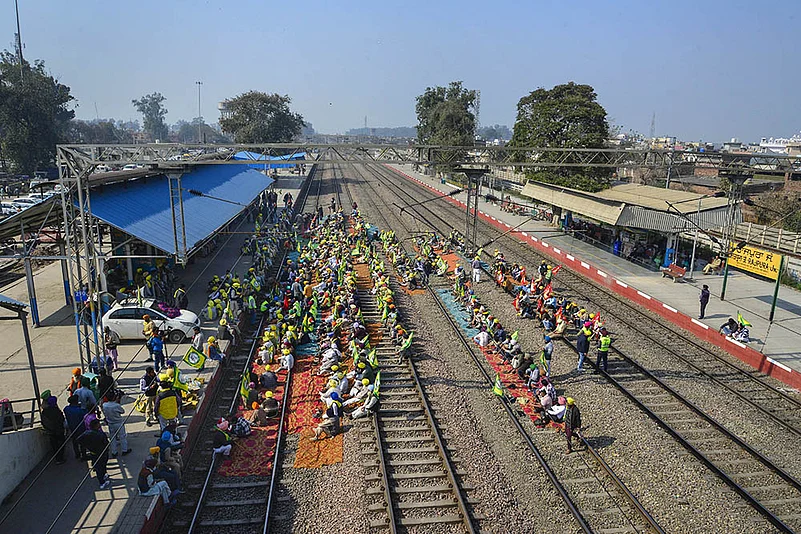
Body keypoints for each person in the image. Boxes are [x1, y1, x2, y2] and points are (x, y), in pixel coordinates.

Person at [77, 418, 111, 489]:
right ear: (96, 426)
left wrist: (86, 446)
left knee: (99, 466)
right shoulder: (101, 434)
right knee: (101, 466)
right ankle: (102, 482)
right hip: (102, 452)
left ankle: (104, 475)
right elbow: (106, 443)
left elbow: (78, 440)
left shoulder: (86, 433)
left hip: (93, 453)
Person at [102, 391, 131, 457]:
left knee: (112, 438)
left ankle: (114, 452)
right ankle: (124, 450)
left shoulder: (104, 405)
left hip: (110, 423)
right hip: (118, 422)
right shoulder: (116, 405)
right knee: (122, 437)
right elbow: (122, 411)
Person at [40, 395, 66, 465]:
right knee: (61, 444)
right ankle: (61, 458)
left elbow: (43, 422)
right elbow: (62, 419)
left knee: (54, 445)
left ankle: (57, 458)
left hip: (50, 432)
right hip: (59, 430)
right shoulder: (56, 410)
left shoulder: (44, 412)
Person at [63, 395, 88, 460]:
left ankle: (77, 454)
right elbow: (85, 413)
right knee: (83, 442)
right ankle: (83, 455)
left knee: (75, 442)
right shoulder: (79, 410)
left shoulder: (66, 409)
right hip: (81, 428)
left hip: (72, 428)